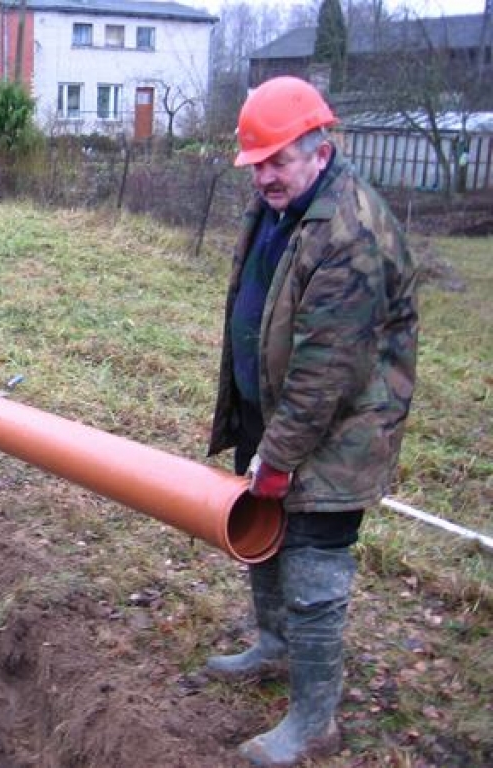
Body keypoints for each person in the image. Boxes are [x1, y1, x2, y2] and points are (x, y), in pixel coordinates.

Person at [205, 77, 418, 766]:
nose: (264, 175)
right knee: (262, 534)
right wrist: (257, 427)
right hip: (277, 410)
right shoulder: (281, 206)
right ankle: (272, 645)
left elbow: (327, 368)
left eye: (277, 160)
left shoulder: (350, 229)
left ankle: (315, 720)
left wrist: (281, 452)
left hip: (340, 432)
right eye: (256, 162)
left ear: (319, 148)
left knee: (314, 564)